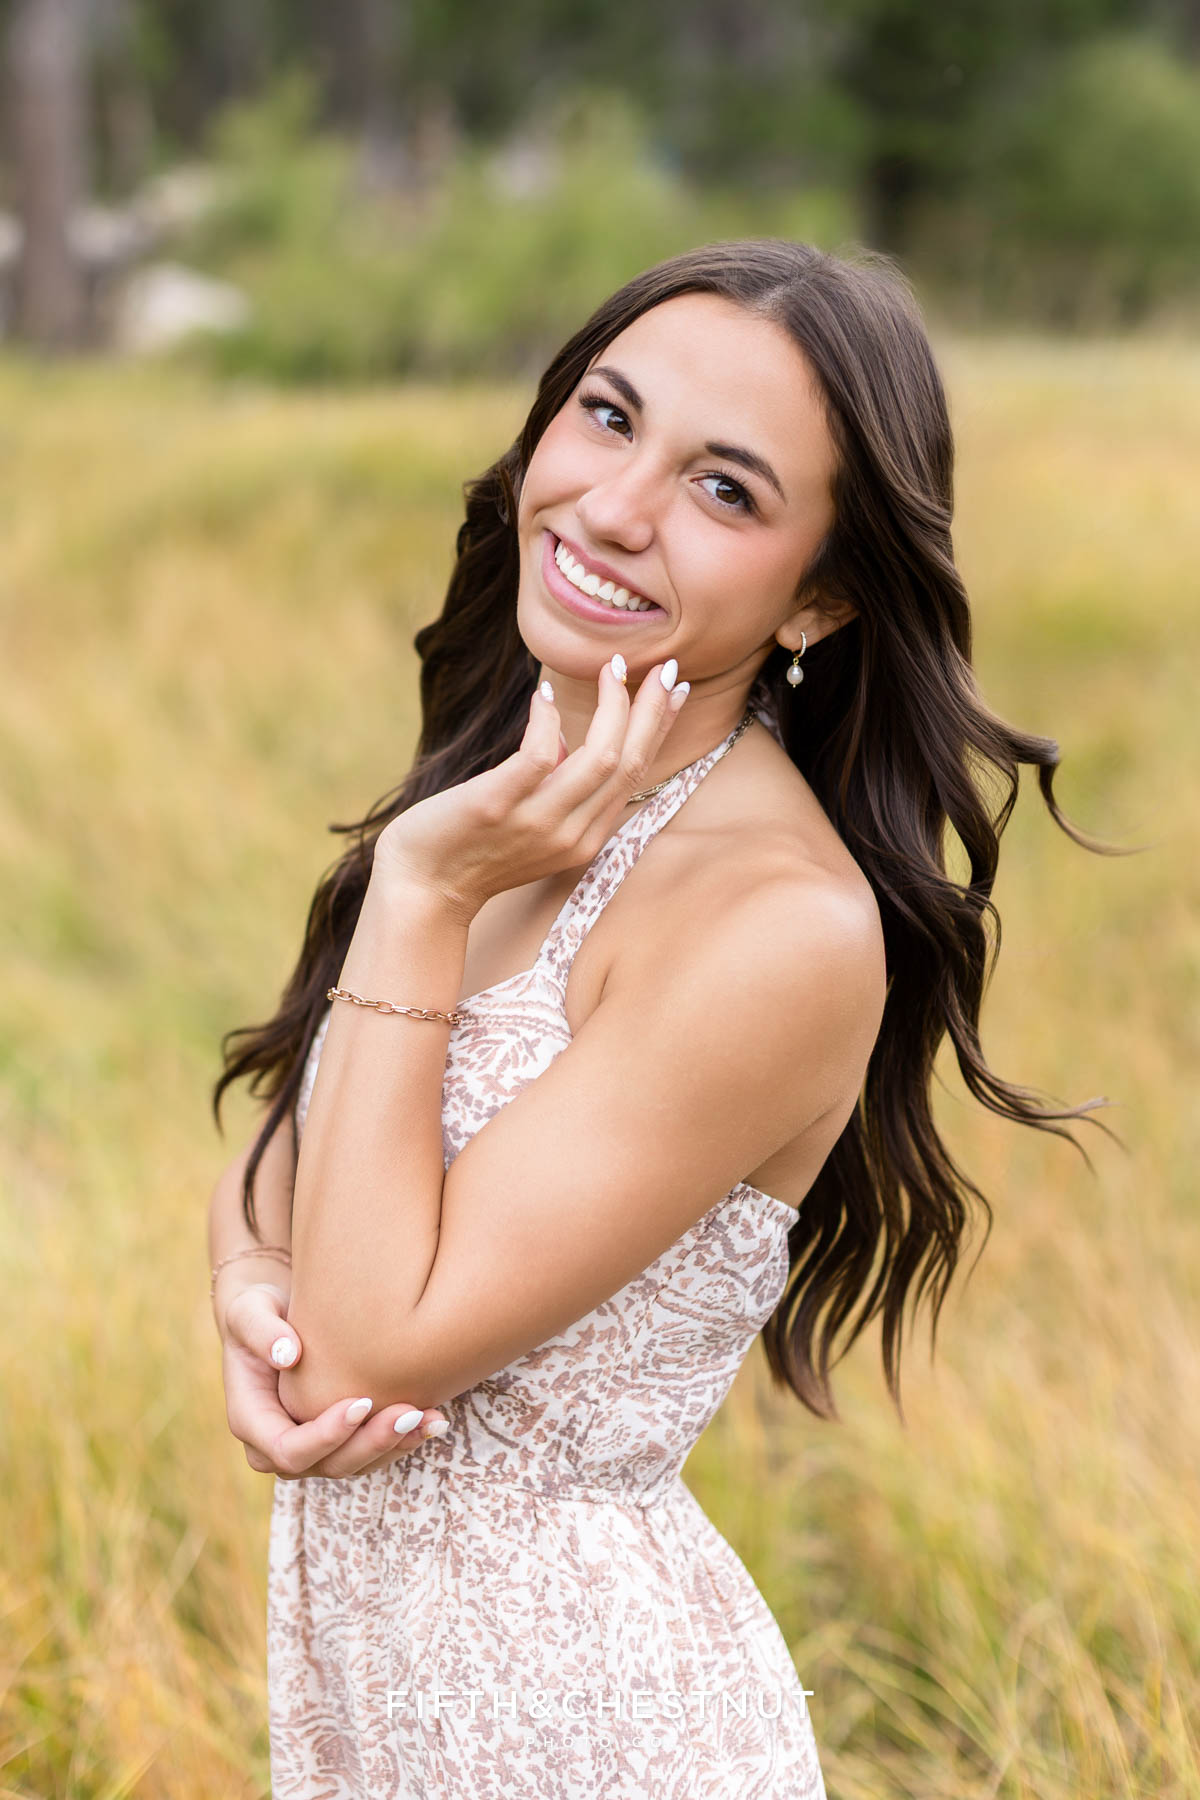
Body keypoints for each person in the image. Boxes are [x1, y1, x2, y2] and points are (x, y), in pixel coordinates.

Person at [208, 239, 1112, 1798]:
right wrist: (244, 1279)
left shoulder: (776, 926)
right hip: (383, 1715)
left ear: (821, 595)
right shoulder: (521, 786)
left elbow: (368, 1347)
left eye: (725, 490)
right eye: (611, 417)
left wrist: (419, 891)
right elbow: (312, 1130)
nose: (617, 507)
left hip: (584, 1733)